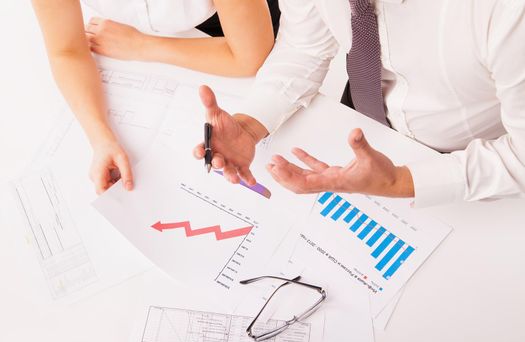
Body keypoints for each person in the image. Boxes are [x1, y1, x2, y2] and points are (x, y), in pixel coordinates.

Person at [193, 0, 525, 207]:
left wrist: (400, 183)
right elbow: (304, 46)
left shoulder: (509, 12)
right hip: (363, 119)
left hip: (470, 165)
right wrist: (252, 124)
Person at [32, 0, 279, 194]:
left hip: (231, 28)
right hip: (141, 37)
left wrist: (141, 46)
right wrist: (101, 138)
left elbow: (250, 55)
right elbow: (67, 51)